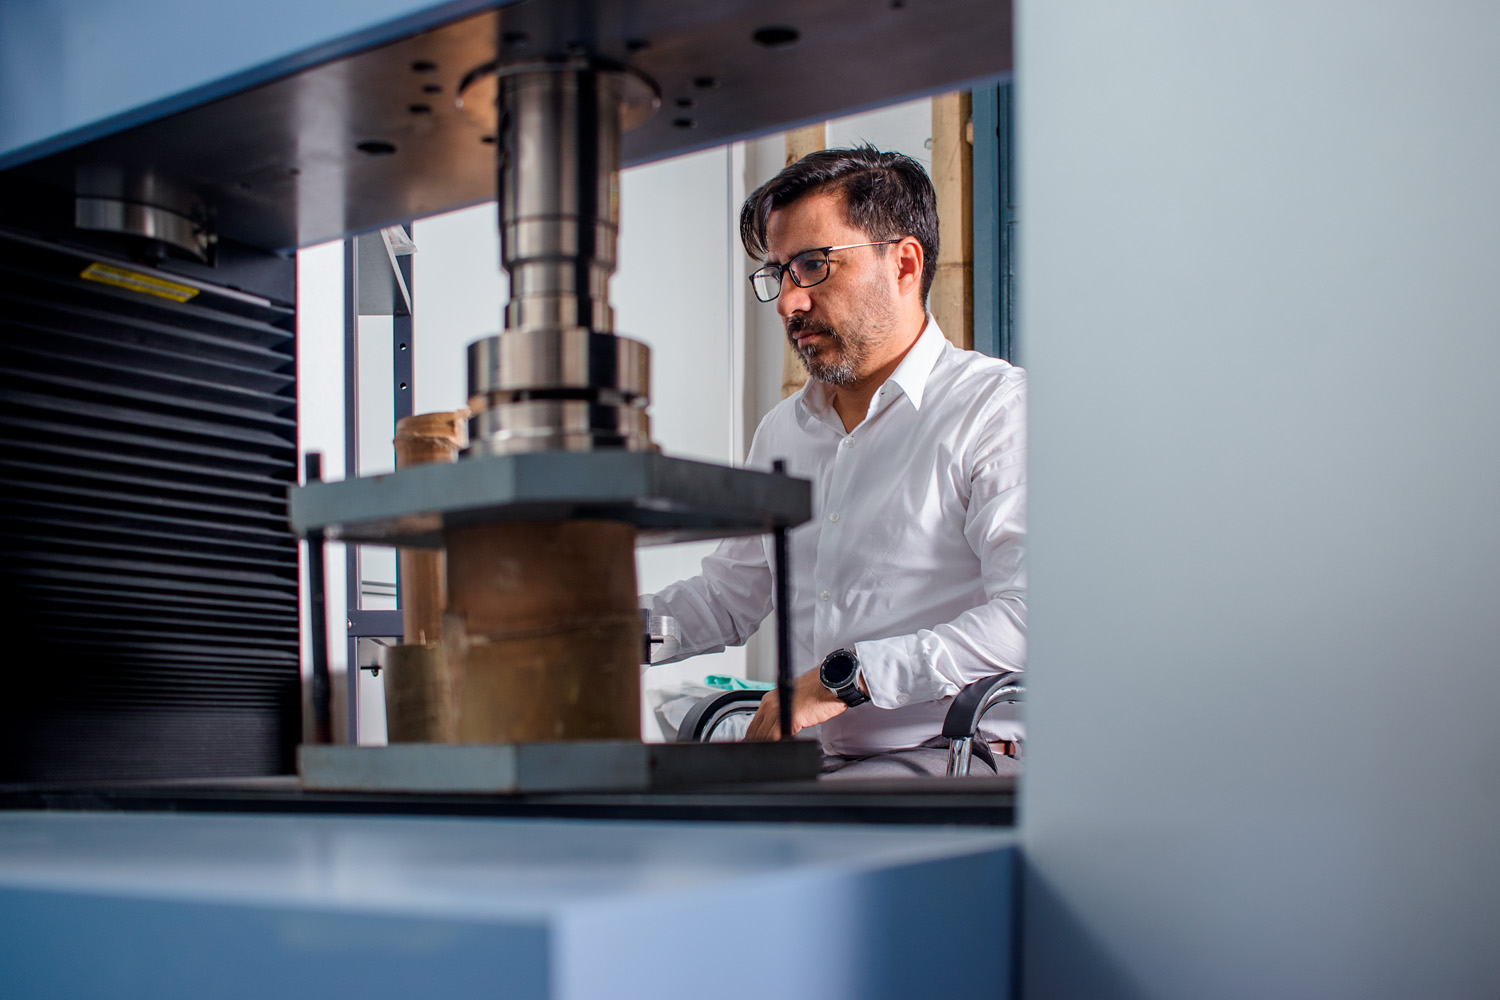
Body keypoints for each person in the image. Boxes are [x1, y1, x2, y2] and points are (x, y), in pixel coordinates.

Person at [642, 145, 1026, 777]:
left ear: (904, 264)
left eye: (813, 266)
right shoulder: (784, 431)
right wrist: (593, 628)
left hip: (957, 759)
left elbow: (1029, 617)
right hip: (820, 764)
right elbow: (729, 597)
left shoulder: (995, 409)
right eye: (779, 273)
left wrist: (842, 680)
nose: (788, 304)